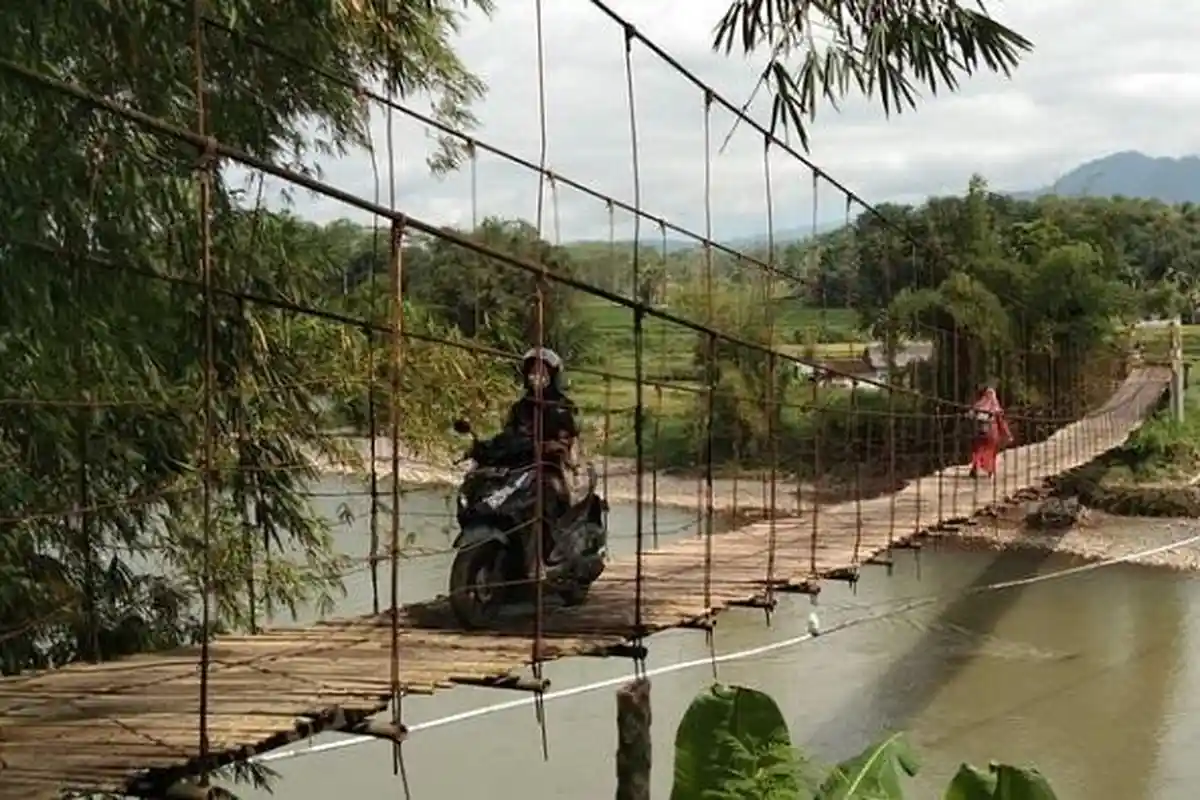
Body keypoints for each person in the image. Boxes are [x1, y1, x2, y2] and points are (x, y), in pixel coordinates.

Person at [503, 348, 580, 554]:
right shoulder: (520, 407)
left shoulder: (563, 406)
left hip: (552, 466)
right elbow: (508, 435)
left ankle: (556, 546)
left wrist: (554, 446)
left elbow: (568, 440)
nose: (536, 376)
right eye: (532, 371)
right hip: (522, 464)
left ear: (552, 375)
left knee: (553, 493)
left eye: (542, 371)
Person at [968, 384, 1011, 479]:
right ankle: (990, 471)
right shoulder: (996, 408)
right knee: (991, 453)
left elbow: (970, 416)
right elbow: (1002, 422)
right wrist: (1007, 435)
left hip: (979, 433)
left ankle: (975, 468)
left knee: (978, 451)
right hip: (992, 434)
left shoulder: (978, 406)